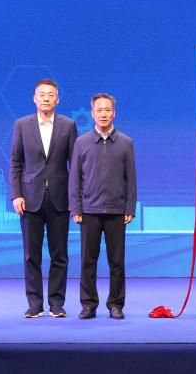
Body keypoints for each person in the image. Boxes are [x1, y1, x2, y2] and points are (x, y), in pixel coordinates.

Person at [9, 78, 79, 318]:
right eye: (42, 94)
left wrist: (74, 197)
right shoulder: (22, 125)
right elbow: (16, 163)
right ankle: (35, 304)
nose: (46, 98)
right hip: (30, 198)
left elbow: (75, 165)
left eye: (51, 95)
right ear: (34, 98)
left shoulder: (68, 125)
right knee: (32, 255)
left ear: (57, 99)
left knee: (59, 254)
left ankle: (56, 303)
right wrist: (16, 194)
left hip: (60, 198)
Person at [69, 92, 137, 320]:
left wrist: (130, 208)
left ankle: (116, 304)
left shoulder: (126, 143)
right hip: (89, 211)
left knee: (116, 262)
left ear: (114, 113)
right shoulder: (81, 143)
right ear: (92, 114)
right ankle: (88, 304)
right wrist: (76, 208)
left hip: (117, 211)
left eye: (107, 110)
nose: (103, 114)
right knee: (88, 261)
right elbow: (74, 178)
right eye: (99, 110)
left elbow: (131, 178)